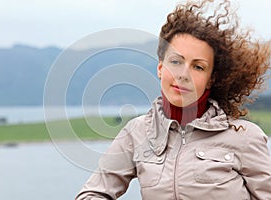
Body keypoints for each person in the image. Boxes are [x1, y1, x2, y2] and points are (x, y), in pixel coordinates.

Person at [76, 0, 271, 199]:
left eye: (198, 67)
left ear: (211, 79)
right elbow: (91, 194)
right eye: (176, 62)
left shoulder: (245, 137)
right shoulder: (137, 133)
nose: (183, 74)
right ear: (160, 68)